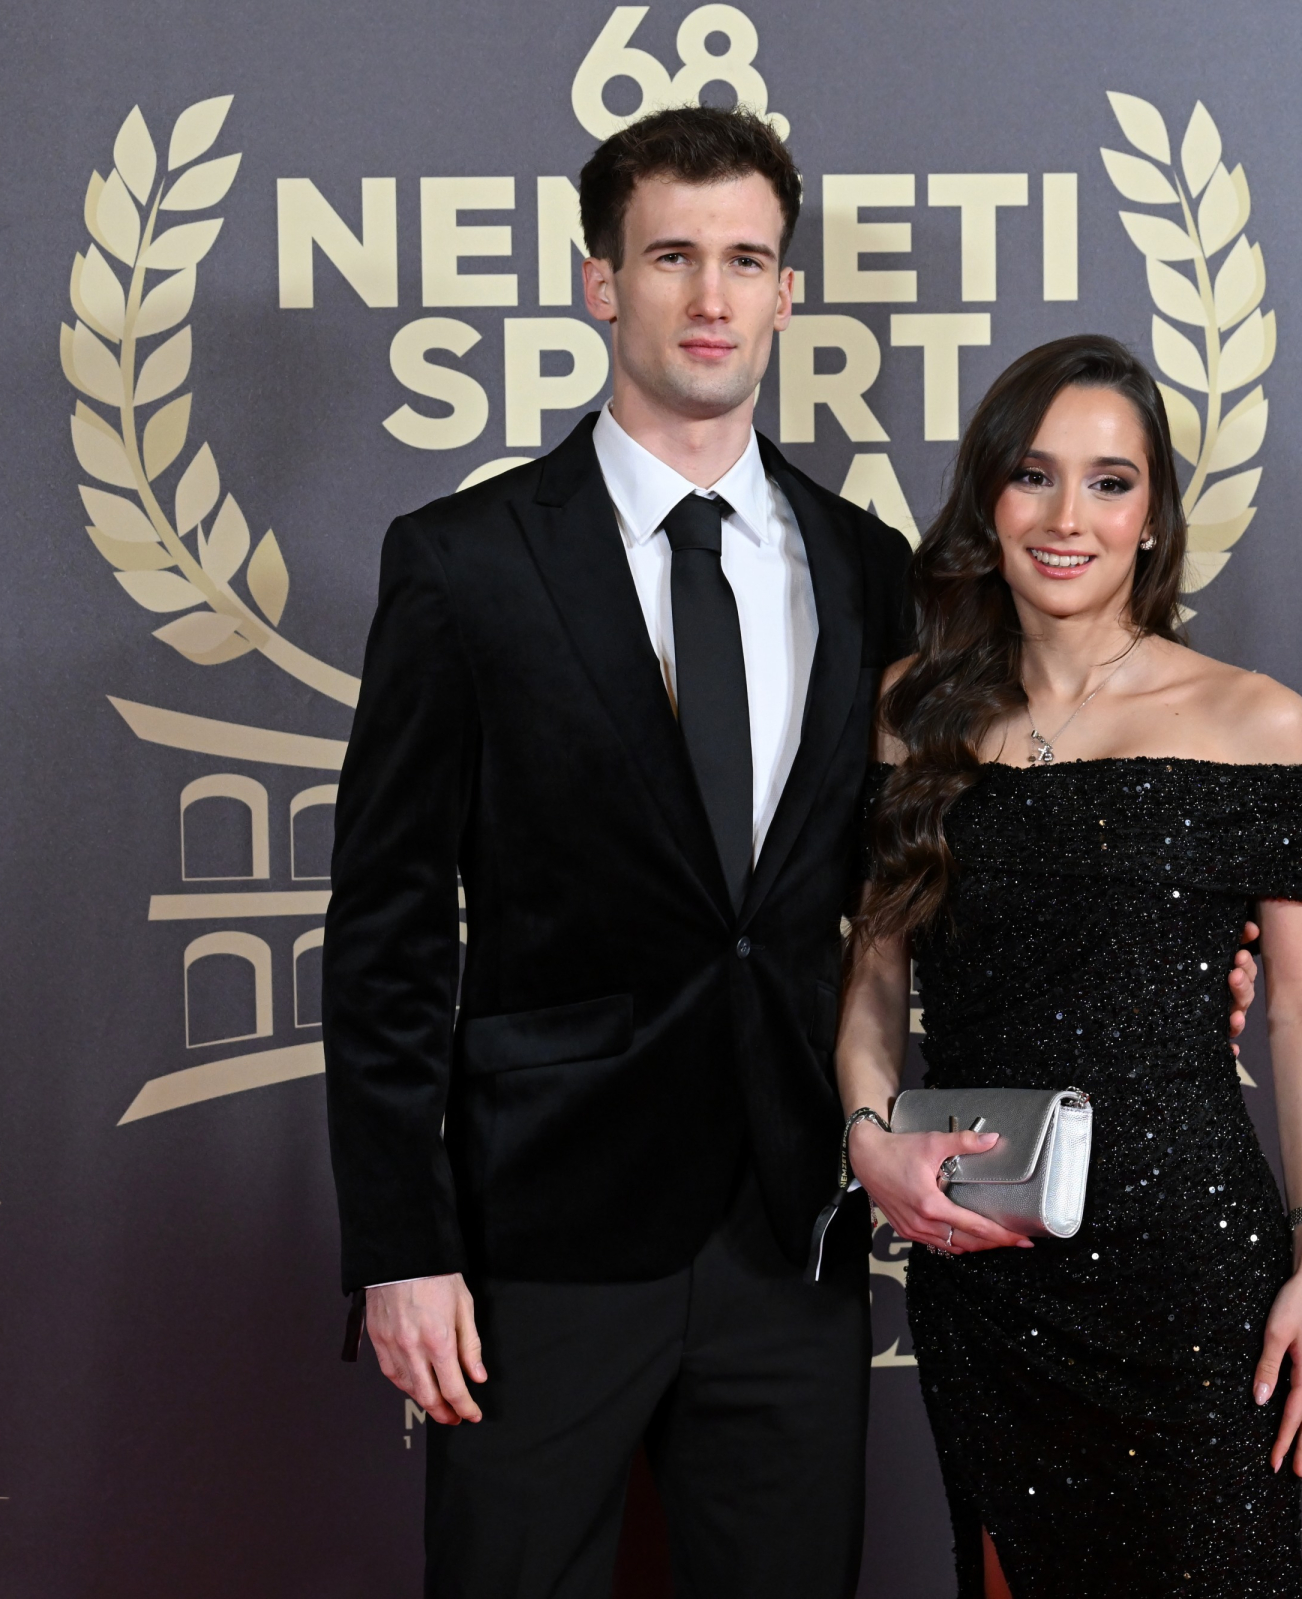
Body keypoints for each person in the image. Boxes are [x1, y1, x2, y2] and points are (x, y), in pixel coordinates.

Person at [320, 107, 914, 1598]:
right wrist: (402, 1244)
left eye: (746, 260)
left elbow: (909, 881)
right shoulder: (463, 562)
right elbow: (390, 930)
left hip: (791, 1230)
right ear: (601, 283)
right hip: (541, 1235)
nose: (712, 296)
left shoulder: (868, 567)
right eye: (670, 257)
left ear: (788, 292)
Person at [835, 334, 1302, 1599]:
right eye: (1034, 475)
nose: (1068, 517)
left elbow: (1298, 1007)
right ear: (989, 501)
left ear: (1155, 515)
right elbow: (871, 980)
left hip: (1190, 1263)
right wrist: (867, 1133)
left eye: (1110, 482)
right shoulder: (909, 715)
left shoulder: (1256, 720)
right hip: (986, 1254)